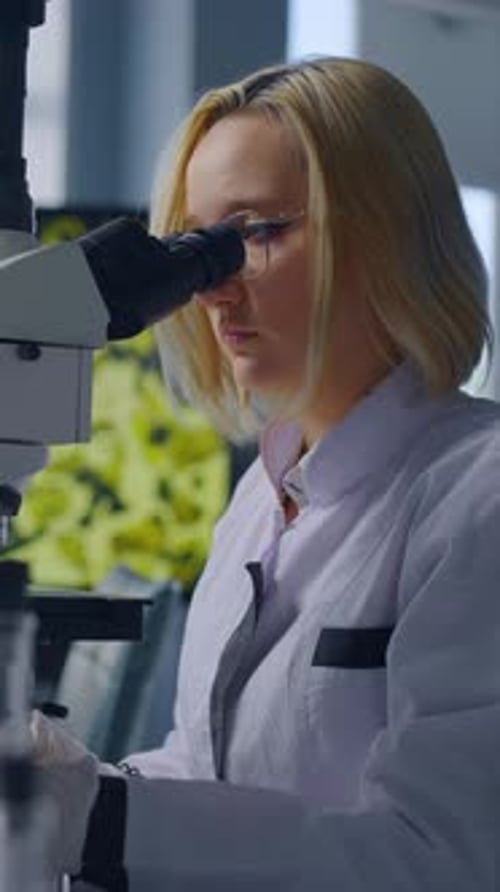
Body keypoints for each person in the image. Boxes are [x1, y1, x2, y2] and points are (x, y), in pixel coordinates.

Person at [32, 56, 500, 892]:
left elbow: (448, 859)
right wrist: (65, 787)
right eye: (196, 248)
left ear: (384, 232)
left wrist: (100, 822)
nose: (212, 290)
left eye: (255, 233)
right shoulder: (260, 497)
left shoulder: (479, 492)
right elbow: (205, 774)